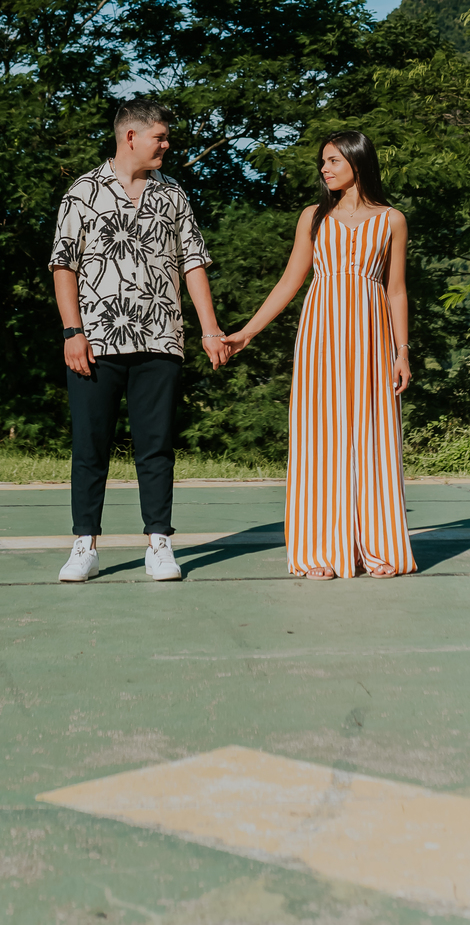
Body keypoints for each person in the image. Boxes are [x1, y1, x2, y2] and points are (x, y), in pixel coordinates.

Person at [222, 131, 416, 580]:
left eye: (332, 161)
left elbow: (396, 289)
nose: (324, 169)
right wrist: (247, 333)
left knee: (372, 437)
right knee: (321, 441)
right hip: (321, 336)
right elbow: (290, 281)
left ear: (357, 162)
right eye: (322, 163)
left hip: (372, 339)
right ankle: (320, 553)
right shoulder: (313, 216)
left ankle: (378, 547)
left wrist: (402, 352)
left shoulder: (392, 220)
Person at [49, 98, 227, 583]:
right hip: (96, 342)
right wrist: (73, 332)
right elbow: (63, 265)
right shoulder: (82, 192)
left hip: (161, 337)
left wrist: (210, 329)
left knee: (156, 446)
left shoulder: (173, 194)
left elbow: (193, 263)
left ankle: (159, 543)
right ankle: (84, 544)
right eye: (161, 137)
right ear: (131, 137)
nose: (167, 145)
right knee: (90, 446)